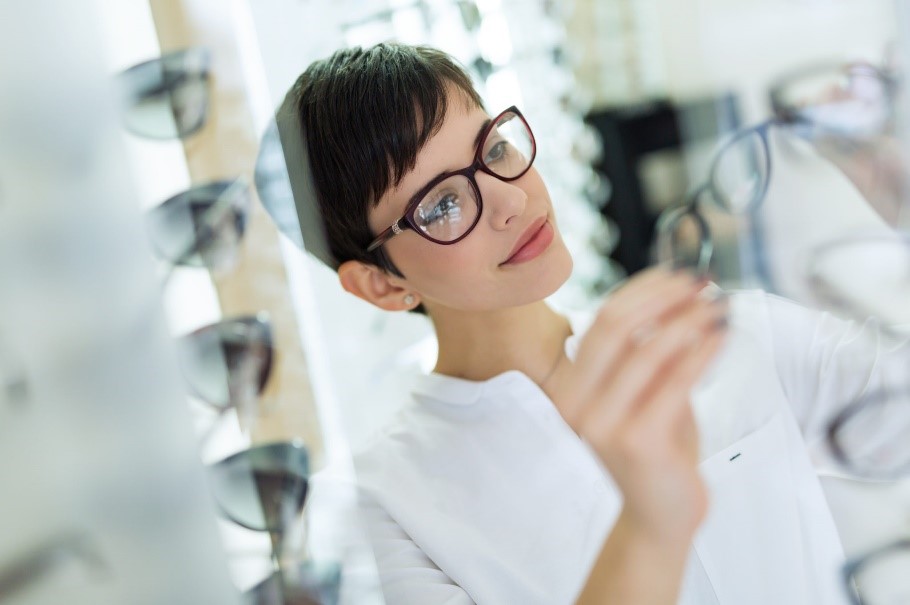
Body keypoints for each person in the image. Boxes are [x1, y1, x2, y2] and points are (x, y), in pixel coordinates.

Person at [271, 43, 906, 604]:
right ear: (381, 283)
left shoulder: (711, 330)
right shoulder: (377, 509)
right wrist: (652, 521)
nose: (512, 198)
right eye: (441, 203)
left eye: (494, 148)